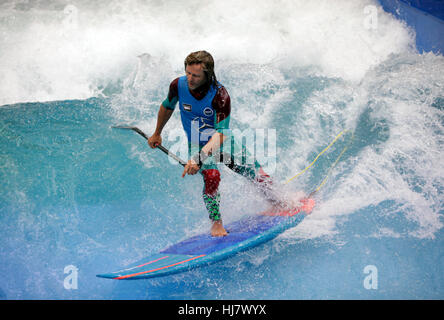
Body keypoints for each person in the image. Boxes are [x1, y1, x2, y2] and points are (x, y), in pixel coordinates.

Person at [148, 51, 276, 237]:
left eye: (196, 75)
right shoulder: (178, 85)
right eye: (188, 73)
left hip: (220, 139)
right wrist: (157, 133)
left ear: (208, 75)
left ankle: (277, 202)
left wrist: (198, 159)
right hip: (196, 141)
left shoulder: (220, 95)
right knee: (212, 177)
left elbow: (221, 134)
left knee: (254, 171)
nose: (190, 79)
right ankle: (216, 223)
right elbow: (167, 106)